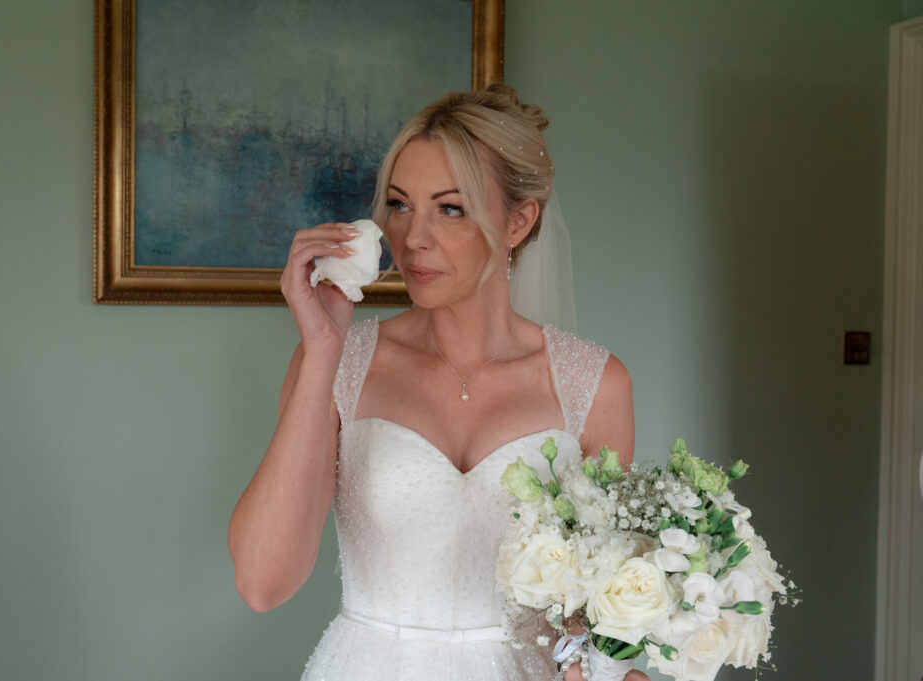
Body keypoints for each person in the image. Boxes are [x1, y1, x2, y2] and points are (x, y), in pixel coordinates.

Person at [228, 85, 649, 681]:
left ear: (519, 221)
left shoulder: (594, 386)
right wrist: (323, 353)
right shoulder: (336, 364)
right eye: (400, 205)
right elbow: (261, 583)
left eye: (450, 208)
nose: (413, 238)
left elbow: (599, 605)